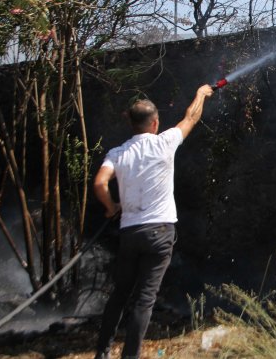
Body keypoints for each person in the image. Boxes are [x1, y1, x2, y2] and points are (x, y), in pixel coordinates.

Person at [93, 85, 214, 359]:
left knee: (121, 293)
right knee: (144, 300)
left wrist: (110, 206)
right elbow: (191, 117)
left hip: (130, 233)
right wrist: (201, 94)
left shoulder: (118, 153)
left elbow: (100, 183)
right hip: (160, 232)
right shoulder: (165, 142)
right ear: (155, 122)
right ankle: (130, 356)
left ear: (130, 123)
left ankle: (102, 352)